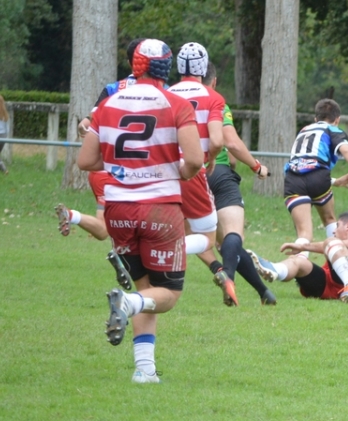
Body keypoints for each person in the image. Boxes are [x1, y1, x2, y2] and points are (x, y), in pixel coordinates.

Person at [76, 38, 204, 383]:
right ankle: (127, 304)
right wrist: (178, 171)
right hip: (159, 208)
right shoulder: (176, 103)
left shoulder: (108, 103)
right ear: (166, 67)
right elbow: (194, 159)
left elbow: (86, 160)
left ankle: (144, 369)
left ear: (135, 64)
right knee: (168, 294)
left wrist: (123, 166)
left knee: (145, 288)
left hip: (117, 210)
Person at [203, 63, 276, 306]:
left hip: (190, 175)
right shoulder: (216, 102)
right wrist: (257, 167)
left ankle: (263, 292)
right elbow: (231, 143)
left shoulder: (176, 99)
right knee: (234, 235)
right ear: (214, 81)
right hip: (218, 172)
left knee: (222, 243)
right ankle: (228, 276)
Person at [166, 43, 232, 304]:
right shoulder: (212, 97)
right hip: (192, 171)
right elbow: (216, 140)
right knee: (207, 238)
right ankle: (160, 252)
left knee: (174, 226)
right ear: (203, 68)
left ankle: (146, 258)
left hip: (162, 171)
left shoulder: (165, 93)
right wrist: (211, 159)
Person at [283, 98, 348, 249]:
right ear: (337, 120)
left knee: (304, 234)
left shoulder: (304, 130)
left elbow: (304, 165)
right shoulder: (332, 129)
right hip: (318, 178)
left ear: (315, 119)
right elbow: (346, 151)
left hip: (293, 179)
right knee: (329, 219)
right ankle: (337, 258)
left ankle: (294, 262)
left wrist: (334, 181)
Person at [248, 211, 348, 302]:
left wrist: (303, 246)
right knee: (299, 261)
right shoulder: (335, 249)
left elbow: (336, 245)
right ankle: (274, 270)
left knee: (331, 242)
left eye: (337, 225)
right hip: (329, 287)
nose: (334, 231)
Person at [55, 171, 136, 291]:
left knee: (107, 228)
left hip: (103, 175)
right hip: (111, 175)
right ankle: (71, 215)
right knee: (105, 227)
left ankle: (119, 254)